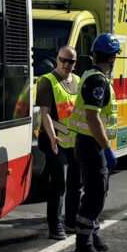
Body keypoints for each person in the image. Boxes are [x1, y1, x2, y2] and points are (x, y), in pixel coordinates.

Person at [66, 33, 121, 252]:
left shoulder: (95, 77)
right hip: (91, 145)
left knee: (99, 191)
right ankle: (83, 245)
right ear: (111, 58)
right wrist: (106, 148)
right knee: (94, 195)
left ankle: (93, 233)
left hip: (90, 144)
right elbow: (92, 118)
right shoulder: (98, 80)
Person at [37, 46, 81, 240]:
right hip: (54, 140)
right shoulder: (47, 81)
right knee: (58, 184)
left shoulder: (78, 81)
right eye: (63, 60)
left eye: (70, 61)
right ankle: (55, 227)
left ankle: (72, 221)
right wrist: (53, 135)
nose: (66, 64)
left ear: (75, 63)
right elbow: (44, 114)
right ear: (57, 59)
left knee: (76, 183)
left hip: (74, 141)